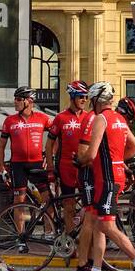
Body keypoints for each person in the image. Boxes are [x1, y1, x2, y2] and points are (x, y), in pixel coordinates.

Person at [74, 83, 135, 271]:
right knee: (100, 224)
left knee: (107, 224)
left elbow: (90, 153)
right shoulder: (120, 119)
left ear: (97, 100)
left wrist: (80, 161)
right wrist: (118, 160)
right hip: (113, 175)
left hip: (107, 178)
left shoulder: (101, 119)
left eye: (92, 101)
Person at [46, 80, 91, 230]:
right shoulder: (60, 118)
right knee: (68, 204)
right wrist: (50, 166)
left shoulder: (89, 117)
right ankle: (69, 237)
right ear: (72, 97)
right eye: (80, 97)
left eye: (86, 97)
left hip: (85, 166)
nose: (84, 100)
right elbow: (49, 143)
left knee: (89, 204)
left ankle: (84, 236)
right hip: (65, 166)